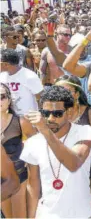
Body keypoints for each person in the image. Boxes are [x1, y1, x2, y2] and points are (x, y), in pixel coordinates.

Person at [20, 86, 91, 218]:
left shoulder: (84, 132)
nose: (50, 118)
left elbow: (74, 163)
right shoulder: (33, 143)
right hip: (47, 214)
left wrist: (45, 131)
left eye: (57, 113)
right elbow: (33, 185)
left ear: (70, 112)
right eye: (45, 113)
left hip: (81, 214)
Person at [1, 83, 36, 218]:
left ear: (9, 100)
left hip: (20, 176)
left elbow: (37, 144)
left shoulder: (20, 122)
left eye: (2, 97)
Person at [54, 75, 91, 152]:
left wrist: (85, 149)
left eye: (67, 91)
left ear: (77, 94)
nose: (62, 95)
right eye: (58, 91)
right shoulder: (52, 114)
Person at [0, 49, 43, 116]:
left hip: (28, 119)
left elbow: (41, 97)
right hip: (10, 119)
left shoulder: (29, 76)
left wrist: (40, 116)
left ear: (6, 64)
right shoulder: (2, 76)